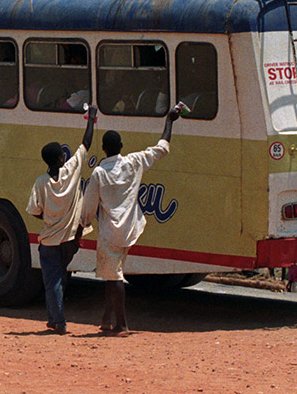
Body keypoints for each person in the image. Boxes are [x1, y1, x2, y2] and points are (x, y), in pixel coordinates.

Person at [81, 103, 184, 337]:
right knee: (111, 272)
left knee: (114, 275)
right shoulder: (134, 162)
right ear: (121, 147)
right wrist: (169, 121)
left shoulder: (99, 173)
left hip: (111, 232)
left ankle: (122, 324)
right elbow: (162, 147)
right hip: (131, 228)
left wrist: (81, 228)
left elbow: (88, 207)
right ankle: (106, 319)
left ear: (104, 149)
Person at [26, 106, 96, 335]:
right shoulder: (71, 171)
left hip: (50, 241)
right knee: (60, 279)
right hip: (70, 240)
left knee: (53, 282)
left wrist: (48, 217)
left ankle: (58, 321)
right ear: (59, 158)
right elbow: (86, 143)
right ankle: (54, 317)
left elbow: (34, 210)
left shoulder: (40, 182)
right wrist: (92, 118)